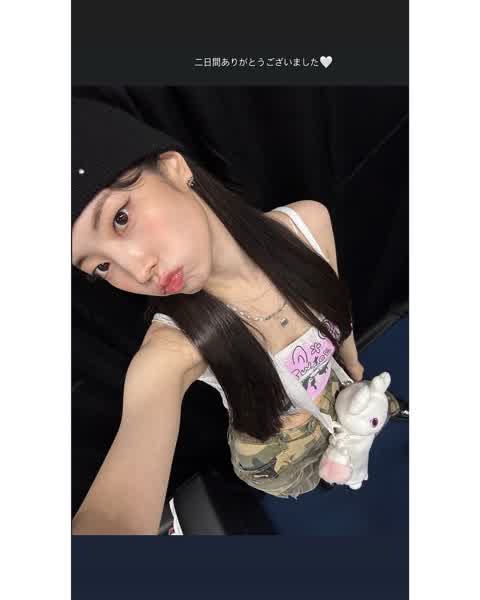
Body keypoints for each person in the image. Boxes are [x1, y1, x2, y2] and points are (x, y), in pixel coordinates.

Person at [71, 97, 398, 534]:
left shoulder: (308, 225)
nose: (137, 269)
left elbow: (339, 314)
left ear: (174, 168)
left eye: (121, 218)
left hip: (336, 403)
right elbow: (114, 521)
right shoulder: (170, 352)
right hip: (279, 461)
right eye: (100, 267)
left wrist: (352, 364)